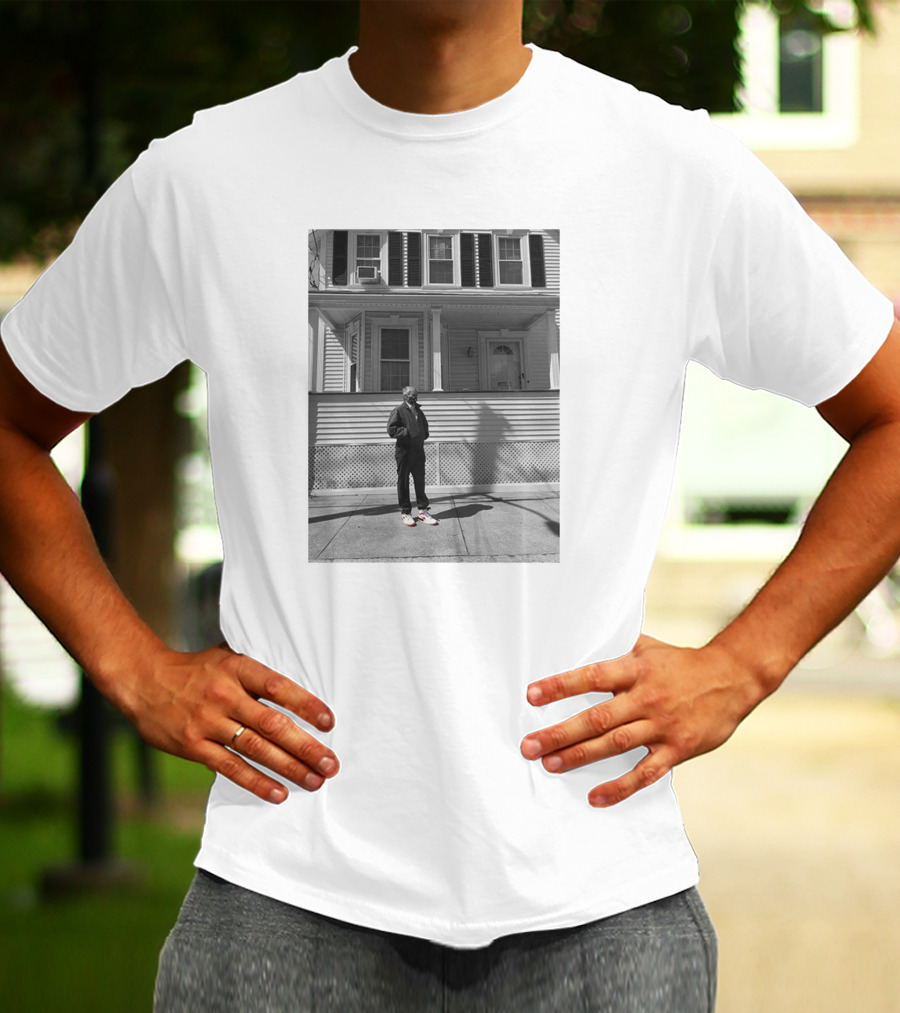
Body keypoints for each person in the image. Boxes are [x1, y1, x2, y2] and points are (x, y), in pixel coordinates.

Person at [1, 1, 898, 1009]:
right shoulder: (204, 180)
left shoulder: (675, 170)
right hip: (286, 895)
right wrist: (134, 667)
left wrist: (745, 663)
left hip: (598, 906)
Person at [387, 385, 438, 527]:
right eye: (411, 395)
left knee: (420, 481)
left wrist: (422, 435)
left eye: (416, 395)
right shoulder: (399, 410)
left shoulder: (419, 411)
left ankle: (422, 511)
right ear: (405, 396)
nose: (414, 397)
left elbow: (425, 427)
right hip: (404, 451)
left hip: (418, 451)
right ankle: (406, 513)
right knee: (403, 482)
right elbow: (391, 430)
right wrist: (407, 432)